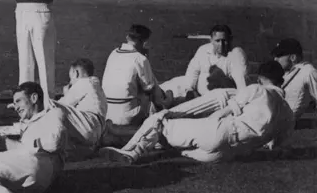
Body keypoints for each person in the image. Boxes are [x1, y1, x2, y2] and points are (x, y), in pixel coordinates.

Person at [99, 61, 294, 165]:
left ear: (260, 78)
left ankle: (130, 152)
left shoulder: (257, 89)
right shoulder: (288, 113)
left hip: (219, 133)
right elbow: (276, 147)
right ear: (281, 81)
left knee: (159, 120)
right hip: (225, 156)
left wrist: (206, 125)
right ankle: (145, 146)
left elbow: (225, 112)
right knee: (174, 145)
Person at [101, 25, 171, 131]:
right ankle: (165, 104)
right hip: (127, 117)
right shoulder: (140, 58)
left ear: (127, 37)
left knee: (139, 83)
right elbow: (149, 88)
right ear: (144, 42)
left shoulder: (113, 53)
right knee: (150, 86)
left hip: (108, 113)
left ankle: (164, 100)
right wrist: (146, 59)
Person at [161, 24, 248, 101]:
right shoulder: (203, 50)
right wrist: (190, 90)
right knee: (164, 89)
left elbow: (241, 85)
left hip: (213, 98)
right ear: (211, 40)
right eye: (217, 41)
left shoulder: (234, 55)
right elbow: (193, 71)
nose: (221, 45)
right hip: (194, 91)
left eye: (224, 40)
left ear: (230, 39)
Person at [52, 58, 107, 151]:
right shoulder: (96, 86)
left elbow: (62, 104)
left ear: (75, 73)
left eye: (70, 78)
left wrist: (66, 93)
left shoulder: (83, 82)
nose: (70, 81)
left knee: (50, 105)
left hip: (88, 125)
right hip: (96, 129)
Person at [271, 38, 317, 119]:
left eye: (279, 55)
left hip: (288, 124)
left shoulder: (308, 71)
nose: (275, 59)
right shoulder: (282, 73)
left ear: (293, 57)